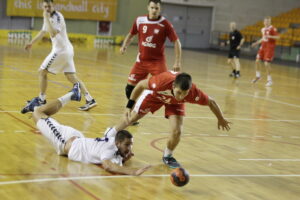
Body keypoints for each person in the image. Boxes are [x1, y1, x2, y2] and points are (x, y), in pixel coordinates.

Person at [104, 71, 231, 168]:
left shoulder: (193, 93)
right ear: (173, 85)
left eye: (185, 93)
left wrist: (221, 118)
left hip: (173, 104)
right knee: (130, 119)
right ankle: (109, 134)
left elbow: (212, 102)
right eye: (179, 92)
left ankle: (168, 156)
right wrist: (128, 106)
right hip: (155, 96)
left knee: (177, 131)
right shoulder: (161, 82)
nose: (182, 96)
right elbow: (140, 85)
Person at [25, 83, 151, 176]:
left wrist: (124, 158)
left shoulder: (114, 141)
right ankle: (71, 95)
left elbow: (113, 150)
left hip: (77, 139)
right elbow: (108, 166)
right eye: (127, 144)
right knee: (38, 113)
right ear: (117, 143)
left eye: (131, 145)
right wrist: (133, 171)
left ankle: (36, 105)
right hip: (65, 140)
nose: (129, 148)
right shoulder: (110, 148)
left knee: (41, 113)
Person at [22, 0, 96, 113]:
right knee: (71, 77)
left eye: (49, 6)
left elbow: (52, 33)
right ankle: (90, 99)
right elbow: (43, 32)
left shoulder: (57, 17)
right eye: (45, 7)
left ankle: (41, 100)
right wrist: (31, 42)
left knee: (42, 72)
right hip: (66, 50)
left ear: (53, 6)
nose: (47, 8)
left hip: (61, 51)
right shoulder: (47, 17)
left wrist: (46, 18)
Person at [120, 0, 182, 124]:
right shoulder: (139, 20)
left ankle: (173, 111)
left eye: (157, 8)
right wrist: (124, 46)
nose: (154, 10)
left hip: (157, 62)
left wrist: (177, 61)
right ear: (148, 7)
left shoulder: (165, 24)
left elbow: (176, 42)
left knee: (164, 87)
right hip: (141, 62)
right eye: (152, 8)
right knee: (129, 89)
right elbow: (131, 34)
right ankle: (134, 112)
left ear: (160, 9)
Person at [251, 16, 280, 87]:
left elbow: (278, 37)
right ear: (264, 22)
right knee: (257, 61)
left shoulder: (272, 28)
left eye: (268, 21)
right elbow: (263, 38)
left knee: (266, 64)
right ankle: (258, 76)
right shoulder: (263, 29)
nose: (266, 22)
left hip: (269, 48)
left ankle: (269, 80)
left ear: (270, 22)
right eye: (265, 21)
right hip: (262, 47)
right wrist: (256, 43)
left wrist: (270, 36)